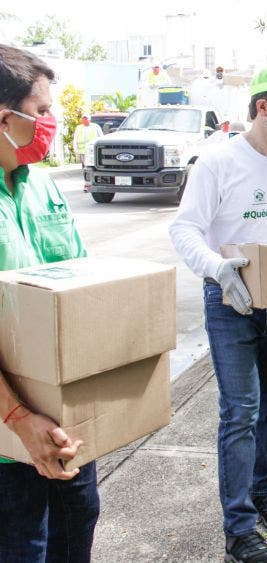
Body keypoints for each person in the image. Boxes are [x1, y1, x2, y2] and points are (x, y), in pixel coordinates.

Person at [169, 63, 267, 563]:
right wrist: (219, 270)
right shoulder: (218, 162)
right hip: (231, 303)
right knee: (241, 413)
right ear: (264, 107)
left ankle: (263, 487)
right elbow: (185, 229)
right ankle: (238, 528)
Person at [0, 44, 96, 562]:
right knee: (22, 546)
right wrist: (16, 417)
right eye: (41, 112)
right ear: (3, 117)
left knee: (76, 524)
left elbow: (81, 284)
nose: (53, 122)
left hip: (65, 422)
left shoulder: (42, 187)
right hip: (7, 436)